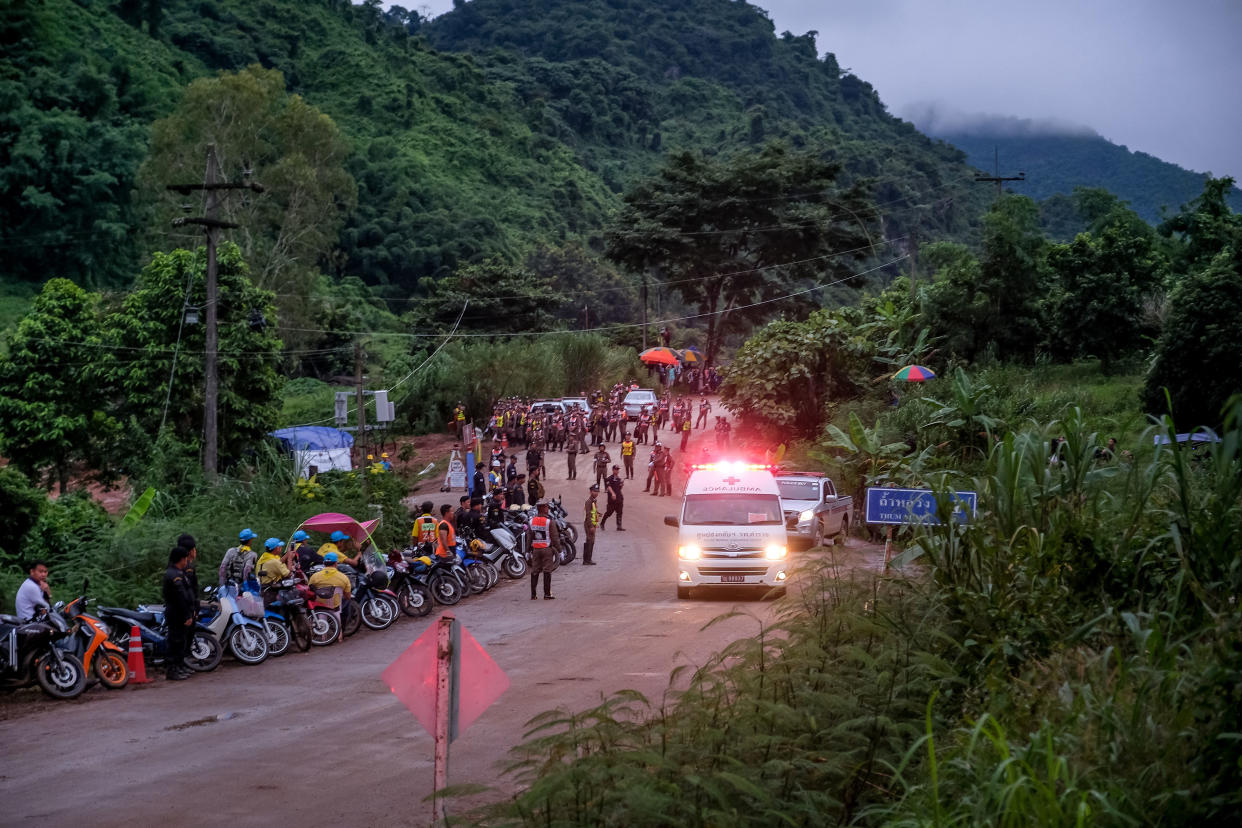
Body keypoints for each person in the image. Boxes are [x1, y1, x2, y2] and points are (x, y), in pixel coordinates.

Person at [162, 546, 196, 680]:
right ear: (181, 559)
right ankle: (172, 670)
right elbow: (180, 596)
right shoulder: (173, 575)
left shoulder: (178, 572)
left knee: (181, 641)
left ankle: (179, 666)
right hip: (176, 612)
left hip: (180, 611)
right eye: (186, 558)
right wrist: (187, 614)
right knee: (175, 641)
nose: (187, 561)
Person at [309, 551, 352, 642]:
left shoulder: (315, 576)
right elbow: (348, 596)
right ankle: (339, 636)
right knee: (345, 602)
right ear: (336, 563)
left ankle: (322, 637)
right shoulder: (343, 577)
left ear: (324, 563)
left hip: (319, 606)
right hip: (335, 606)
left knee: (319, 611)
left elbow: (310, 589)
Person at [526, 499, 561, 600]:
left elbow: (529, 538)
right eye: (547, 507)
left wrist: (527, 551)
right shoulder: (549, 521)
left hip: (535, 550)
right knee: (547, 570)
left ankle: (533, 595)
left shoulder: (531, 521)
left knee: (535, 570)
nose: (548, 509)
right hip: (546, 550)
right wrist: (560, 550)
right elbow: (555, 538)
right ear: (544, 508)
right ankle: (547, 594)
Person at [600, 465, 625, 531]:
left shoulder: (619, 479)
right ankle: (602, 523)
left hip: (619, 498)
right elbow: (608, 487)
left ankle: (619, 526)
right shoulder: (609, 478)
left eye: (618, 469)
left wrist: (622, 485)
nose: (617, 471)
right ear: (613, 470)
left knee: (619, 512)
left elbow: (619, 488)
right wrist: (613, 493)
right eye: (616, 469)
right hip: (612, 499)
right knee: (609, 512)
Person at [581, 484, 601, 565]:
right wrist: (591, 526)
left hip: (593, 524)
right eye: (594, 491)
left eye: (597, 491)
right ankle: (587, 560)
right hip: (589, 524)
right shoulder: (589, 502)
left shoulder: (593, 501)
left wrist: (598, 514)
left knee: (591, 541)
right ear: (590, 492)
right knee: (590, 541)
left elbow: (593, 512)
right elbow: (588, 514)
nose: (596, 493)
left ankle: (588, 559)